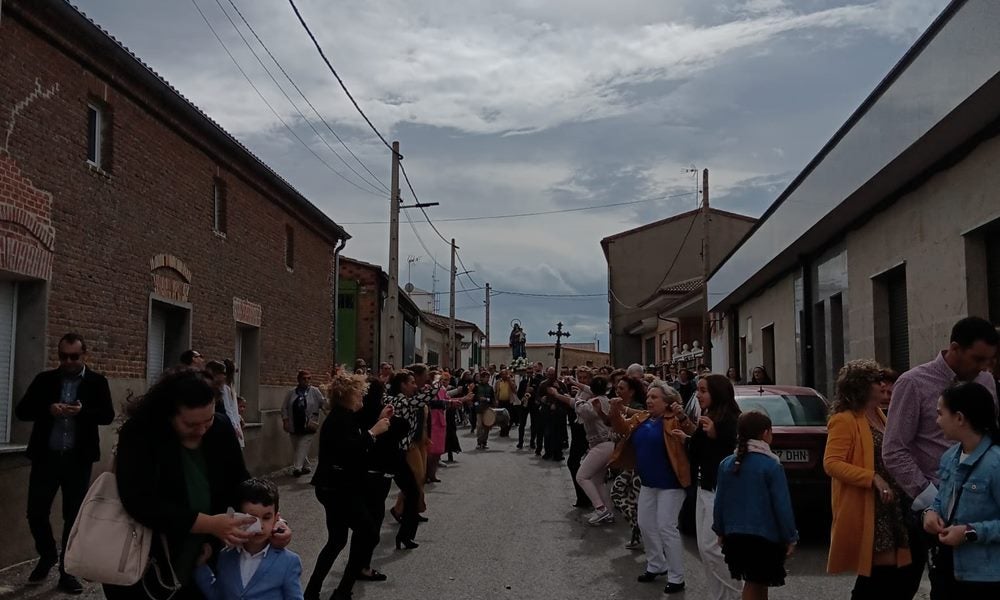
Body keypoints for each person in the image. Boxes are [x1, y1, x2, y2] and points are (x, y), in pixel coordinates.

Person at [105, 368, 291, 600]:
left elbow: (241, 483)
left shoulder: (220, 428)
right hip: (143, 561)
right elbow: (139, 502)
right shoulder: (141, 434)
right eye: (191, 425)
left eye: (208, 420)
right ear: (169, 413)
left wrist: (273, 521)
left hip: (202, 558)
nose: (202, 430)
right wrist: (209, 524)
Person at [883, 317, 999, 599]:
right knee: (908, 585)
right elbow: (894, 449)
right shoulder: (913, 382)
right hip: (929, 506)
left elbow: (991, 431)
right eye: (978, 358)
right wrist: (931, 500)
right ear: (955, 348)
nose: (984, 367)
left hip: (980, 509)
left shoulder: (984, 381)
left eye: (989, 360)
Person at [16, 333, 114, 593]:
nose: (68, 361)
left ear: (85, 355)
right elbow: (22, 411)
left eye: (74, 356)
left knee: (72, 517)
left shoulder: (96, 382)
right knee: (35, 513)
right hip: (46, 457)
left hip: (77, 460)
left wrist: (83, 413)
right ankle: (47, 554)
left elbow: (107, 415)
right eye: (63, 356)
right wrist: (48, 409)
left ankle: (66, 571)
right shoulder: (45, 380)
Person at [824, 360, 911, 598]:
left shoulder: (880, 415)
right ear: (861, 386)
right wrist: (872, 478)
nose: (882, 385)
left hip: (890, 505)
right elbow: (831, 463)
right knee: (878, 575)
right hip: (867, 506)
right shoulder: (844, 420)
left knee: (891, 574)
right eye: (876, 380)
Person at [304, 374, 392, 600]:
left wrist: (377, 424)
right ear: (346, 396)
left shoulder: (344, 417)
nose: (361, 395)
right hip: (338, 488)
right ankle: (342, 590)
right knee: (368, 533)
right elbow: (350, 452)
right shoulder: (340, 419)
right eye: (357, 392)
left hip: (334, 487)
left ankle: (314, 591)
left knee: (337, 540)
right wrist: (374, 433)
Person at [610, 380, 695, 594]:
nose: (649, 400)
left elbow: (694, 434)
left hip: (671, 483)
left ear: (667, 402)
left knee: (666, 526)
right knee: (645, 524)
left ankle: (677, 577)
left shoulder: (675, 420)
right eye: (648, 397)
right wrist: (614, 410)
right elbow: (621, 427)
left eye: (654, 397)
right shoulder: (642, 418)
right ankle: (656, 564)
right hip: (648, 482)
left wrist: (682, 416)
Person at [922, 382, 1000, 597]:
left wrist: (969, 532)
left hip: (984, 576)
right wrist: (931, 513)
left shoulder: (995, 463)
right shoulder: (950, 457)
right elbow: (942, 499)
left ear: (959, 418)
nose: (937, 421)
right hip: (946, 568)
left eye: (940, 414)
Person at [713, 411, 798, 600]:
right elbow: (781, 505)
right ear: (765, 433)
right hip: (763, 537)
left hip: (734, 535)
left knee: (757, 582)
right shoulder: (771, 465)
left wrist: (719, 529)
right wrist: (790, 536)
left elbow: (719, 501)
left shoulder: (727, 464)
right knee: (755, 582)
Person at [681, 374, 742, 600]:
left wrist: (717, 434)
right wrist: (689, 437)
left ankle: (741, 591)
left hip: (720, 491)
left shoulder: (732, 420)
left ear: (717, 392)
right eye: (698, 390)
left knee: (712, 548)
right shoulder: (707, 416)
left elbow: (736, 451)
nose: (698, 394)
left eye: (703, 390)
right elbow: (696, 451)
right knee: (705, 551)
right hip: (703, 487)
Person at [194, 478, 303, 600]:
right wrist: (201, 567)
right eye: (252, 519)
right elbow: (218, 595)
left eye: (266, 517)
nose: (260, 526)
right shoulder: (225, 556)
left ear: (276, 518)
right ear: (238, 518)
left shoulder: (289, 562)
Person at [610, 375, 647, 550]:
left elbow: (639, 419)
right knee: (617, 493)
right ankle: (637, 528)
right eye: (617, 388)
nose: (618, 391)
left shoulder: (638, 408)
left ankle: (642, 532)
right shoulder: (625, 408)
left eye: (622, 388)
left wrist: (621, 409)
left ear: (631, 392)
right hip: (630, 462)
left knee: (637, 500)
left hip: (639, 462)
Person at [574, 375, 615, 524]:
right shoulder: (608, 401)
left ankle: (600, 508)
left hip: (601, 445)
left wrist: (577, 399)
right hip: (609, 444)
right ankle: (608, 511)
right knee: (597, 480)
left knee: (582, 476)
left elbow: (581, 410)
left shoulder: (592, 403)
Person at [281, 370, 325, 477]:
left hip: (309, 425)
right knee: (297, 447)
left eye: (309, 378)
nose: (307, 381)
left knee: (302, 445)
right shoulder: (291, 392)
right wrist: (285, 420)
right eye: (304, 378)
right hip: (294, 424)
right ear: (299, 380)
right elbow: (284, 407)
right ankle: (306, 466)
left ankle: (297, 468)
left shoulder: (315, 391)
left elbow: (323, 404)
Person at [221, 359, 244, 448]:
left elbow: (233, 408)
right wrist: (234, 426)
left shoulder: (230, 386)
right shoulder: (225, 388)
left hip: (235, 422)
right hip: (231, 424)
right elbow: (228, 408)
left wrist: (238, 418)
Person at [474, 370, 497, 449]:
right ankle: (479, 442)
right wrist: (476, 403)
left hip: (487, 408)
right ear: (482, 378)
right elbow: (474, 397)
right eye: (486, 377)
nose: (487, 379)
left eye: (488, 377)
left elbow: (492, 398)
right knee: (479, 425)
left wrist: (487, 400)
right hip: (479, 409)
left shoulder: (490, 388)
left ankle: (484, 442)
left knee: (487, 425)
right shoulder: (477, 387)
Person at [494, 369, 517, 437]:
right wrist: (496, 400)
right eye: (502, 374)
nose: (504, 375)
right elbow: (496, 392)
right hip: (501, 402)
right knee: (501, 417)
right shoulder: (498, 382)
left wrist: (509, 381)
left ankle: (507, 429)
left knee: (510, 417)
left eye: (505, 374)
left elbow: (514, 390)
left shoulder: (511, 381)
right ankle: (503, 430)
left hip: (509, 402)